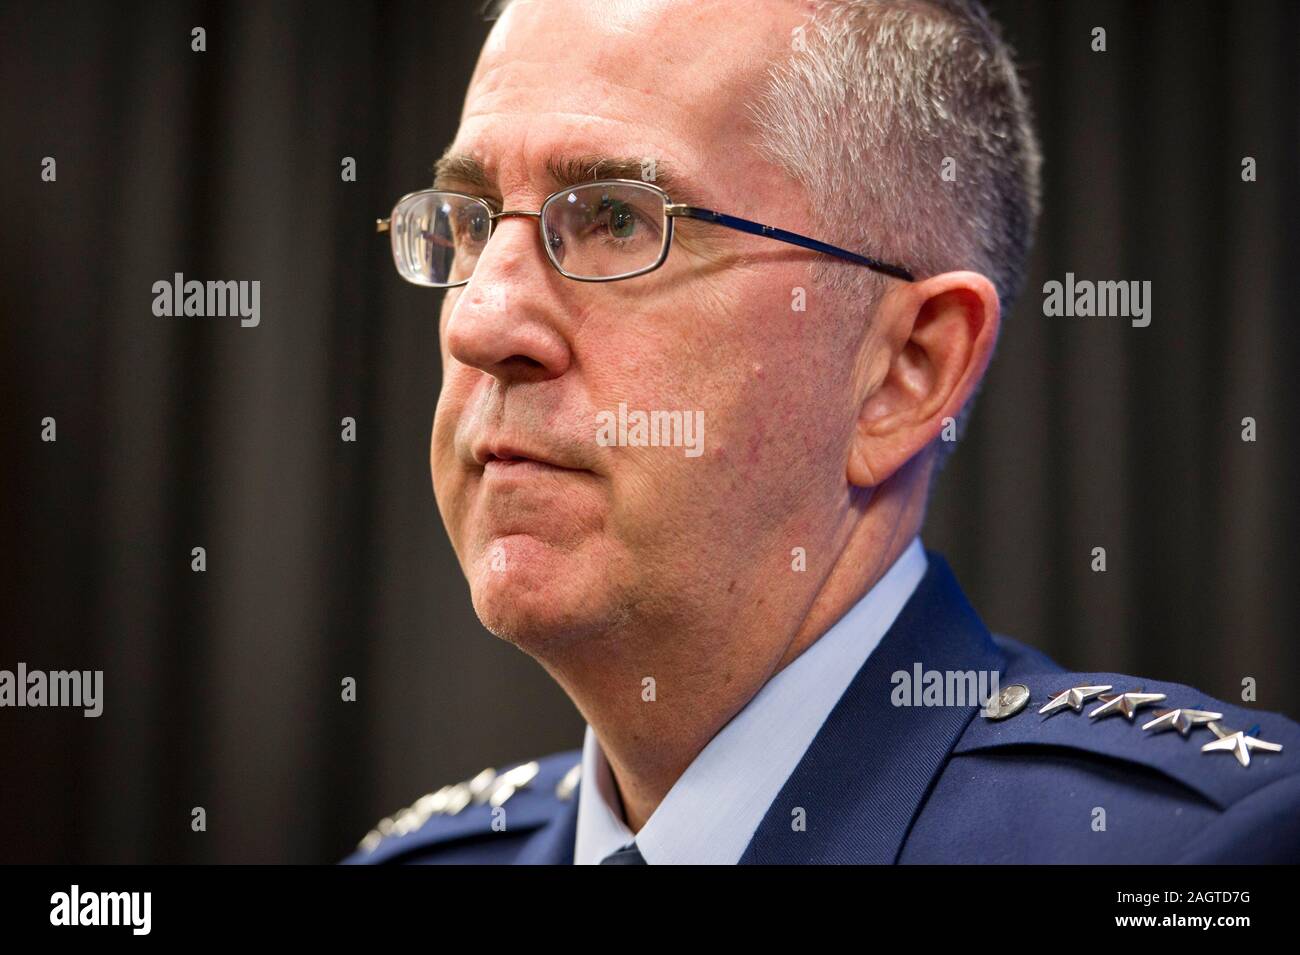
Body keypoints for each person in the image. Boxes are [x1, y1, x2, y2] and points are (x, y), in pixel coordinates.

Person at [344, 0, 1300, 864]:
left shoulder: (1192, 853)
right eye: (471, 224)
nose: (481, 322)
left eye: (618, 221)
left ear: (904, 372)